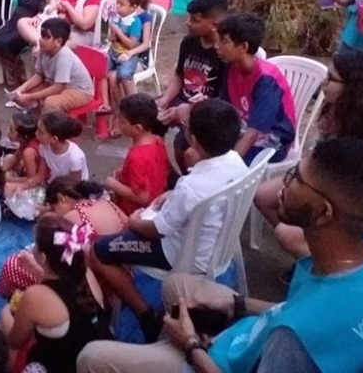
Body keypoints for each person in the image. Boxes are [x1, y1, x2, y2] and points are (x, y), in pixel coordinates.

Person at [77, 137, 363, 373]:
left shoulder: (294, 340)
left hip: (219, 361)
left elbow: (301, 322)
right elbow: (300, 308)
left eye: (296, 178)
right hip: (253, 336)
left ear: (323, 212)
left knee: (91, 357)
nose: (284, 183)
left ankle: (172, 354)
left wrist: (191, 345)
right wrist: (239, 305)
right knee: (176, 286)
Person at [88, 99, 247, 343]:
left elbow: (156, 230)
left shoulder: (191, 187)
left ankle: (146, 315)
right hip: (217, 244)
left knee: (99, 251)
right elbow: (198, 193)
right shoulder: (236, 161)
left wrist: (133, 221)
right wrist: (173, 193)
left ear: (193, 138)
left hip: (180, 254)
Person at [254, 49, 363, 263]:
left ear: (353, 88)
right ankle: (312, 255)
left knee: (286, 234)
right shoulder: (334, 112)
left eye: (331, 79)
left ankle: (325, 262)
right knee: (262, 196)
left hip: (345, 202)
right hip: (319, 179)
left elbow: (356, 197)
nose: (323, 83)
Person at [0, 214, 111, 373]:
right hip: (99, 355)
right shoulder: (85, 272)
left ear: (43, 257)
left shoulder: (35, 296)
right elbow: (65, 291)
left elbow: (15, 341)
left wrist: (6, 313)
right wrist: (39, 270)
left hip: (63, 365)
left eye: (35, 245)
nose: (32, 248)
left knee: (1, 326)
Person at [0, 178, 128, 298]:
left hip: (97, 287)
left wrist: (35, 264)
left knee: (12, 265)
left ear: (61, 199)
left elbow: (65, 268)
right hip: (125, 272)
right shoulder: (105, 203)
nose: (54, 214)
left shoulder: (72, 218)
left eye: (53, 208)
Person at [204, 13, 295, 165]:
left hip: (273, 139)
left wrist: (227, 165)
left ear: (243, 47)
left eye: (224, 41)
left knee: (216, 162)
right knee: (195, 145)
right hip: (244, 127)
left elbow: (254, 133)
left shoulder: (266, 80)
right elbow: (225, 108)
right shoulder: (231, 67)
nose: (216, 46)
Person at [156, 0, 228, 171]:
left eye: (195, 20)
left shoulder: (224, 53)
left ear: (214, 25)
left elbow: (222, 98)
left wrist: (186, 110)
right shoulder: (189, 42)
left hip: (206, 108)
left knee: (182, 145)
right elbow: (179, 75)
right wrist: (165, 99)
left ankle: (188, 177)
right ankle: (165, 173)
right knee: (151, 117)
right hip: (183, 99)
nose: (188, 23)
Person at [103, 93, 169, 216]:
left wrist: (113, 184)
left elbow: (142, 197)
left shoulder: (137, 157)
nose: (117, 123)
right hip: (156, 201)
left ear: (137, 128)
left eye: (122, 122)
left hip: (134, 213)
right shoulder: (157, 141)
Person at [12, 18, 94, 113]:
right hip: (59, 85)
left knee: (51, 103)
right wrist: (21, 89)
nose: (41, 40)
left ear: (58, 41)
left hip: (80, 91)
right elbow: (39, 75)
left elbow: (58, 88)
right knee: (28, 92)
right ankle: (35, 118)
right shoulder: (44, 51)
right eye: (41, 36)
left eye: (46, 37)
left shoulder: (64, 56)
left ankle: (49, 121)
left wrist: (29, 97)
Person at [98, 0, 145, 126]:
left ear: (133, 7)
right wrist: (111, 36)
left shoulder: (135, 22)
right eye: (117, 3)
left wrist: (117, 31)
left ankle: (134, 106)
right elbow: (111, 39)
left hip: (127, 55)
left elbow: (131, 44)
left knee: (124, 75)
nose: (117, 7)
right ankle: (119, 109)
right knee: (102, 72)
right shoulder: (117, 18)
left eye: (122, 4)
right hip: (114, 52)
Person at [36, 111, 88, 182]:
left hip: (72, 186)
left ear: (54, 139)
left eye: (40, 132)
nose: (36, 133)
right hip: (55, 182)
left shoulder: (74, 157)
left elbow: (76, 184)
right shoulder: (44, 147)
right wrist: (27, 184)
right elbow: (40, 174)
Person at [2, 112, 44, 195]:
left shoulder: (28, 152)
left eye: (11, 130)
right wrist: (0, 172)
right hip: (28, 171)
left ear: (23, 136)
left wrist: (10, 179)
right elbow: (16, 158)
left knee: (5, 187)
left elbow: (31, 180)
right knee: (8, 158)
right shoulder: (24, 142)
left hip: (39, 183)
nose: (7, 132)